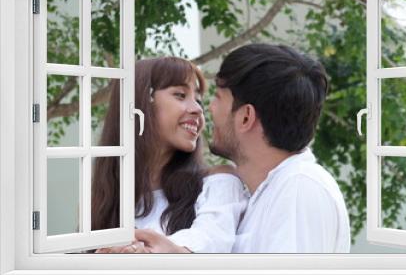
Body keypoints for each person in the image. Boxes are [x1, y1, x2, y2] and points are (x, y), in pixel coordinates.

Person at [135, 43, 351, 253]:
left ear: (246, 117)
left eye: (217, 98)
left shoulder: (298, 188)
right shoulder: (269, 193)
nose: (206, 109)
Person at [91, 56, 247, 253]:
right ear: (140, 104)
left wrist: (147, 250)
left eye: (198, 100)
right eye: (181, 95)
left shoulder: (218, 183)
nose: (197, 109)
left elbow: (211, 239)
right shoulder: (105, 198)